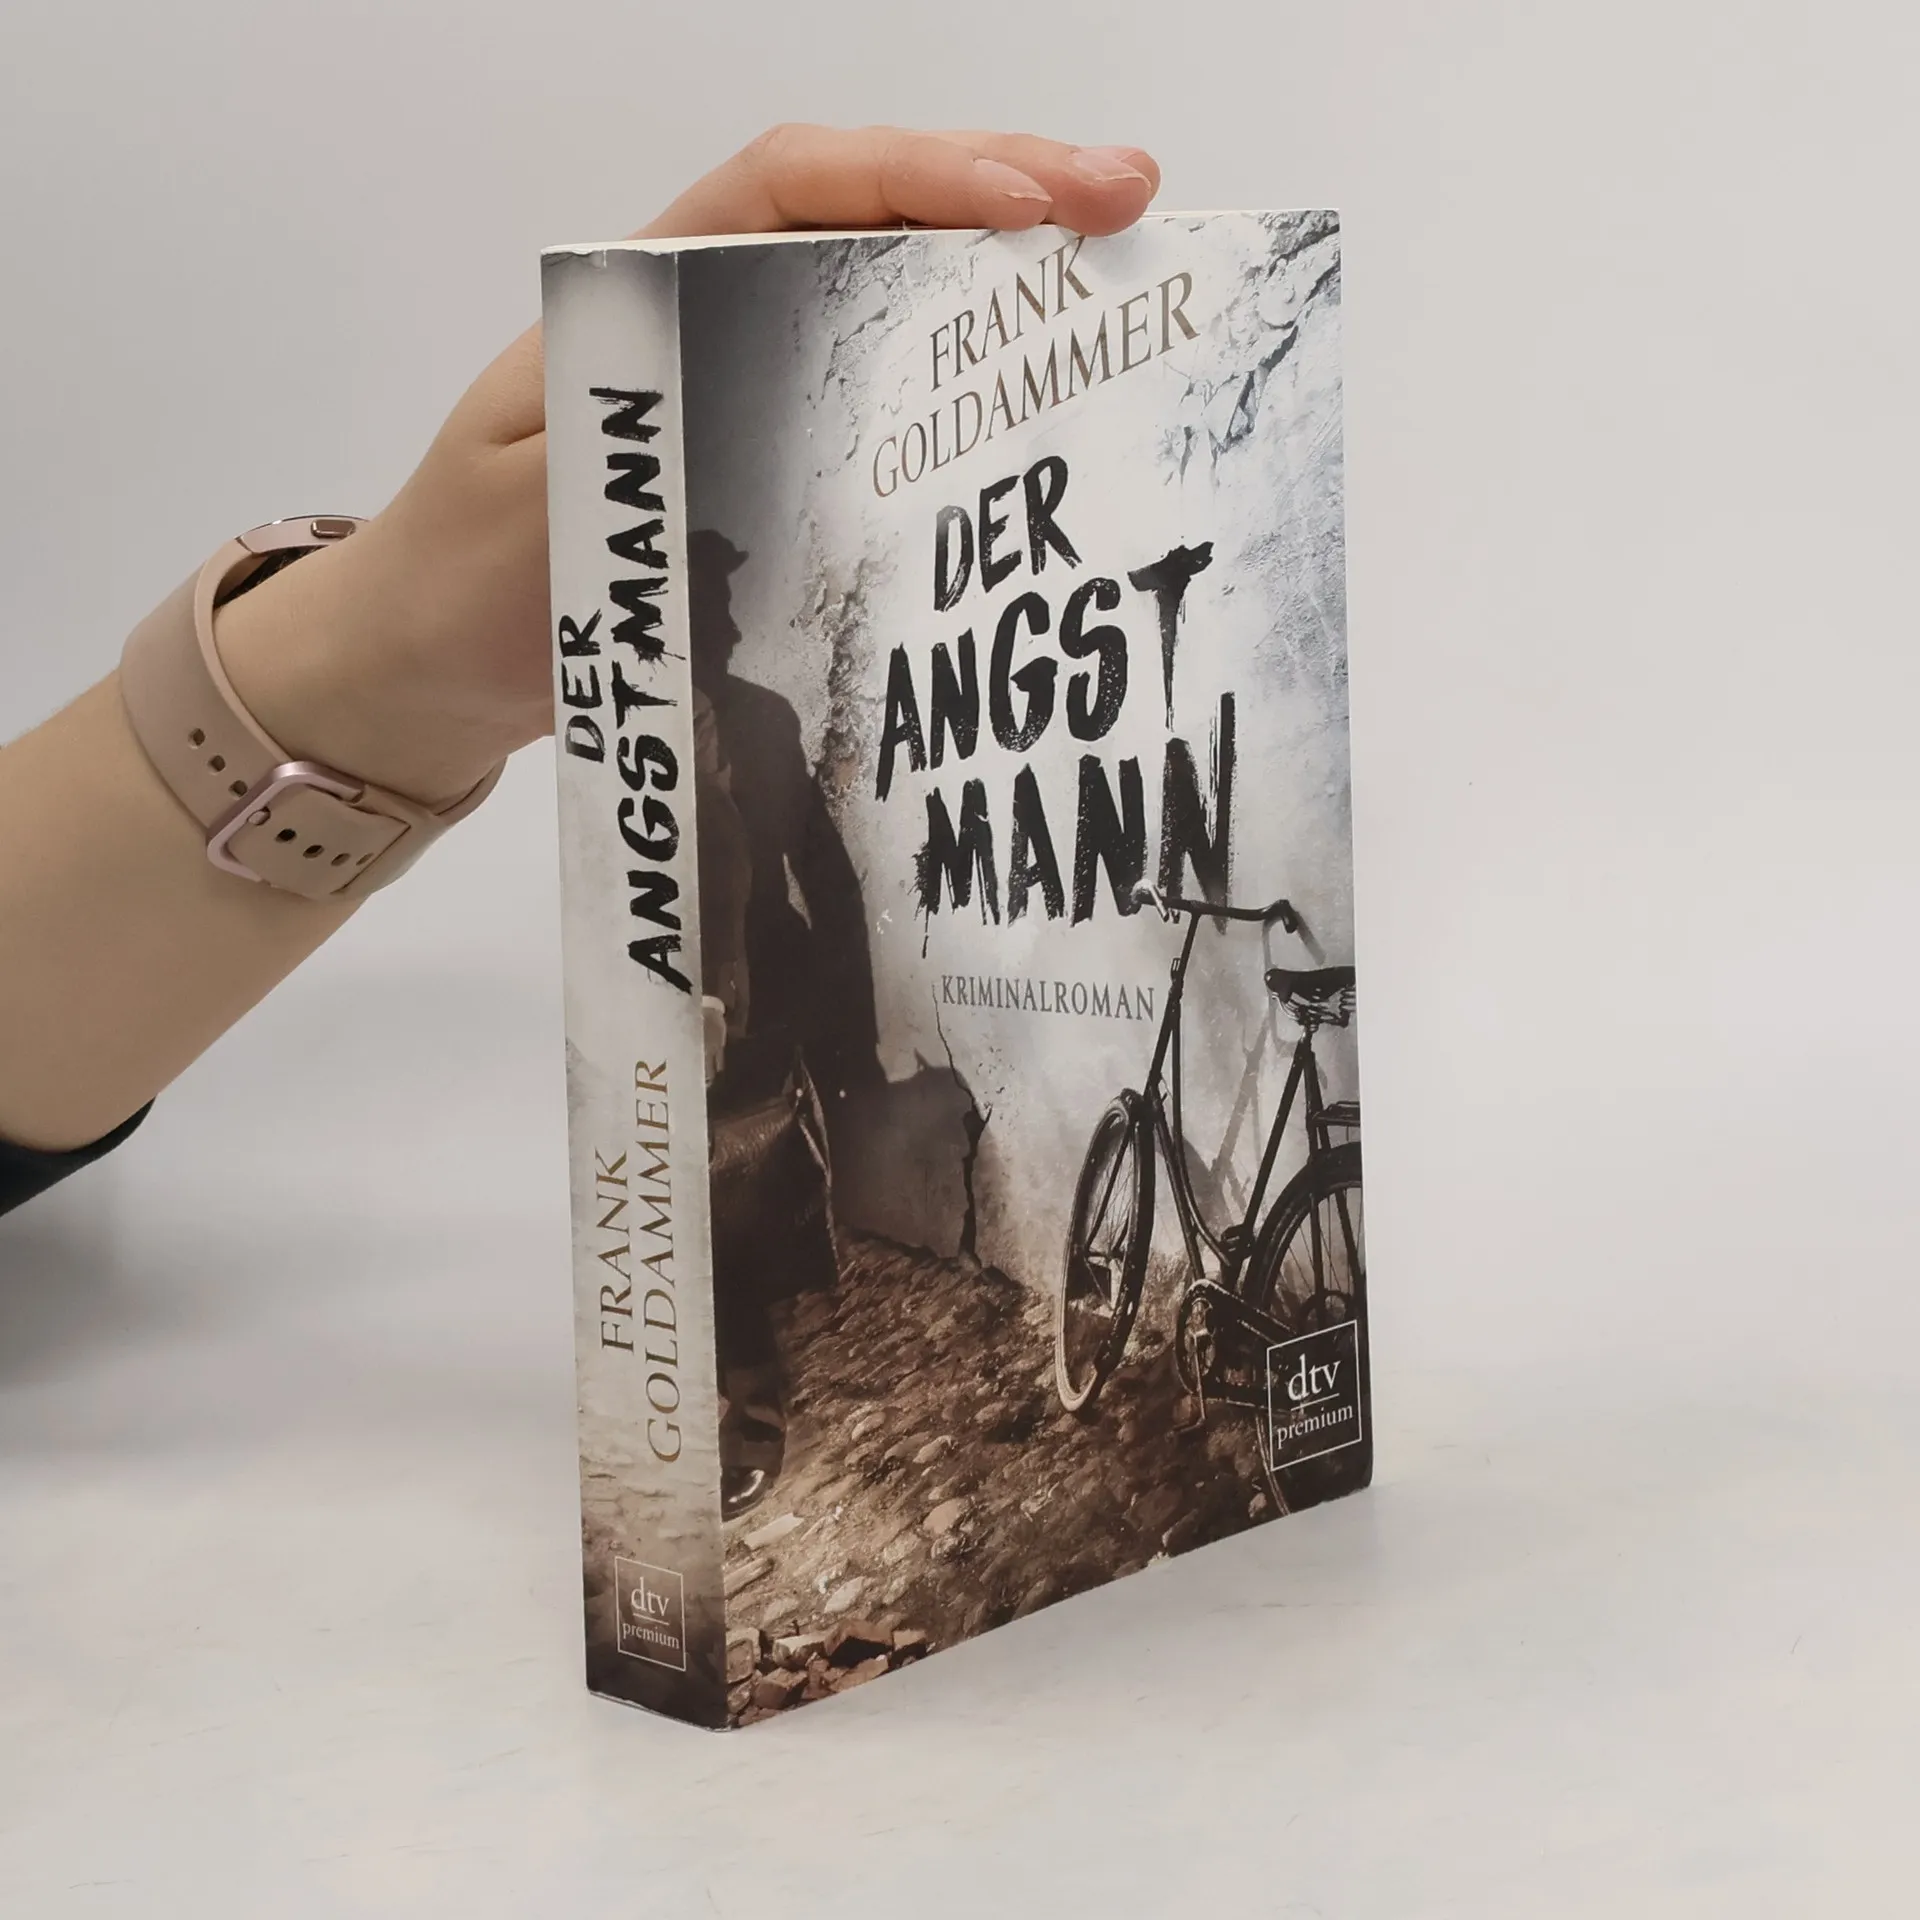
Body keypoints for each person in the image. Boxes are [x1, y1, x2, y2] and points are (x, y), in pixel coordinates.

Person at [0, 126, 1163, 1222]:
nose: (716, 608)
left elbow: (827, 871)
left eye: (720, 590)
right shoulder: (658, 710)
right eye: (703, 586)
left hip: (769, 1014)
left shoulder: (759, 716)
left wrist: (847, 1036)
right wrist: (378, 657)